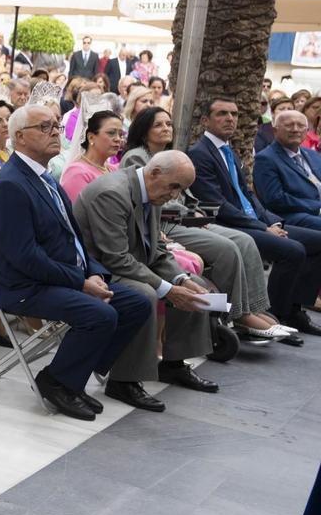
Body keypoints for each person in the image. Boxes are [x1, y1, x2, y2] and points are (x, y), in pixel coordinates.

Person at [0, 105, 154, 420]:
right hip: (25, 286)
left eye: (56, 125)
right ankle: (56, 381)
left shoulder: (43, 177)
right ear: (19, 137)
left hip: (61, 277)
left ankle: (77, 372)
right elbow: (24, 257)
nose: (56, 132)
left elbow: (75, 237)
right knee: (100, 314)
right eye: (45, 127)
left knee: (137, 303)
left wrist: (95, 273)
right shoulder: (10, 185)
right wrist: (80, 282)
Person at [120, 107, 294, 345]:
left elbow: (186, 193)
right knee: (226, 248)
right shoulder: (137, 156)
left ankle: (252, 308)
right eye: (158, 125)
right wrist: (191, 214)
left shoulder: (172, 154)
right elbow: (153, 199)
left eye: (168, 124)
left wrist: (196, 210)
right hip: (165, 223)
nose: (166, 129)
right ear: (143, 131)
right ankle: (238, 315)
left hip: (187, 219)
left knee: (244, 240)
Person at [70, 156, 220, 410]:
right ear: (155, 173)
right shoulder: (113, 193)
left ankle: (173, 364)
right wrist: (169, 289)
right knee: (145, 293)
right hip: (96, 271)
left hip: (126, 264)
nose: (175, 195)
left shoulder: (153, 190)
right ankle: (123, 380)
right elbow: (115, 258)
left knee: (193, 283)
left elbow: (157, 250)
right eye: (174, 187)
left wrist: (180, 279)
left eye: (180, 190)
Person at [189, 97, 321, 334]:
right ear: (205, 121)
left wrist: (271, 222)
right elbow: (217, 205)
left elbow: (248, 196)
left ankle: (293, 308)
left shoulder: (228, 152)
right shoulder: (200, 154)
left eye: (234, 114)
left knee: (316, 242)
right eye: (222, 114)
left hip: (252, 222)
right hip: (226, 225)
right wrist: (262, 227)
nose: (230, 119)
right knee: (292, 250)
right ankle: (279, 313)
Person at [255, 109, 321, 230]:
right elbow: (276, 199)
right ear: (275, 131)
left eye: (300, 126)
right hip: (293, 215)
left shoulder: (313, 155)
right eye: (289, 125)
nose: (295, 129)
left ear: (307, 131)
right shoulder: (265, 158)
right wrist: (317, 208)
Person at [59, 110, 125, 201]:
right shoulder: (77, 173)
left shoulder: (113, 169)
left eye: (120, 134)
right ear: (91, 137)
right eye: (111, 132)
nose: (118, 139)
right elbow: (78, 213)